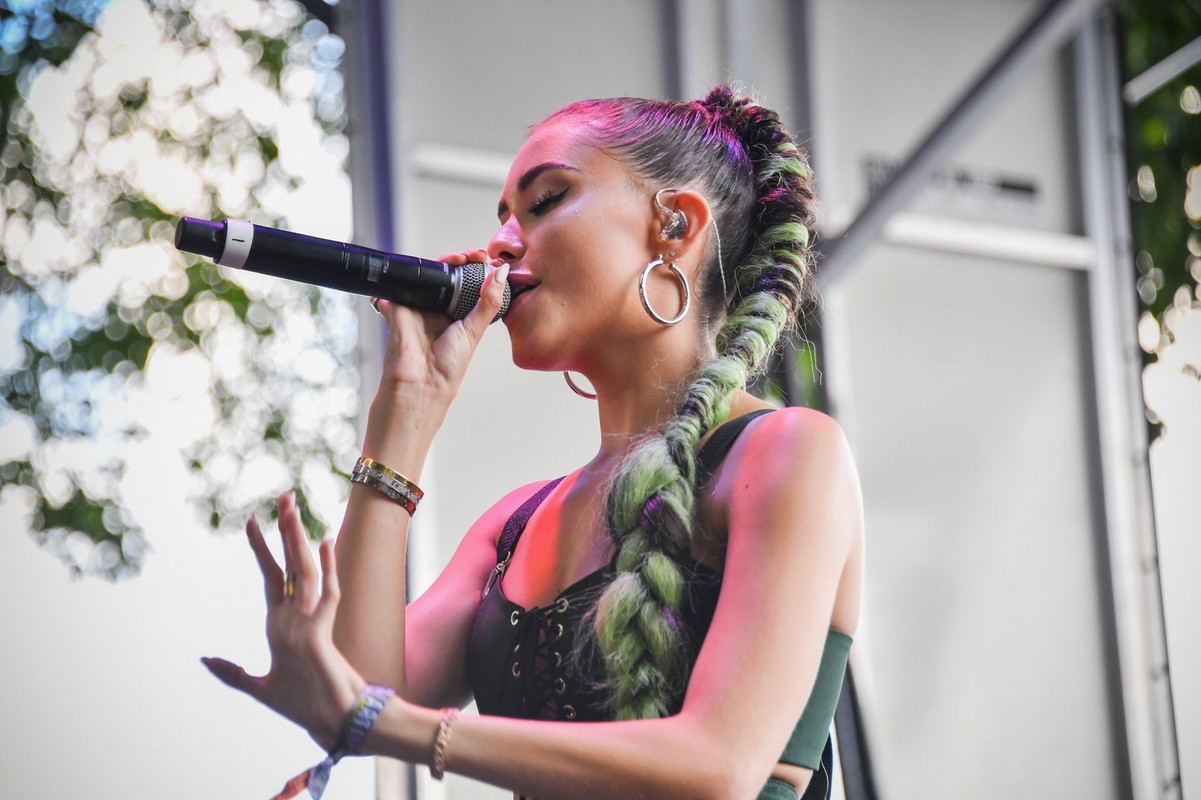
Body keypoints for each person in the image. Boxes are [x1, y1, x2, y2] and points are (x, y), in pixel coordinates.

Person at [202, 86, 865, 800]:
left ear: (674, 225)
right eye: (503, 219)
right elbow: (363, 688)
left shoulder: (785, 451)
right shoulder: (515, 526)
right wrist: (407, 411)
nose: (501, 243)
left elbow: (717, 767)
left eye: (545, 201)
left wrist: (390, 725)